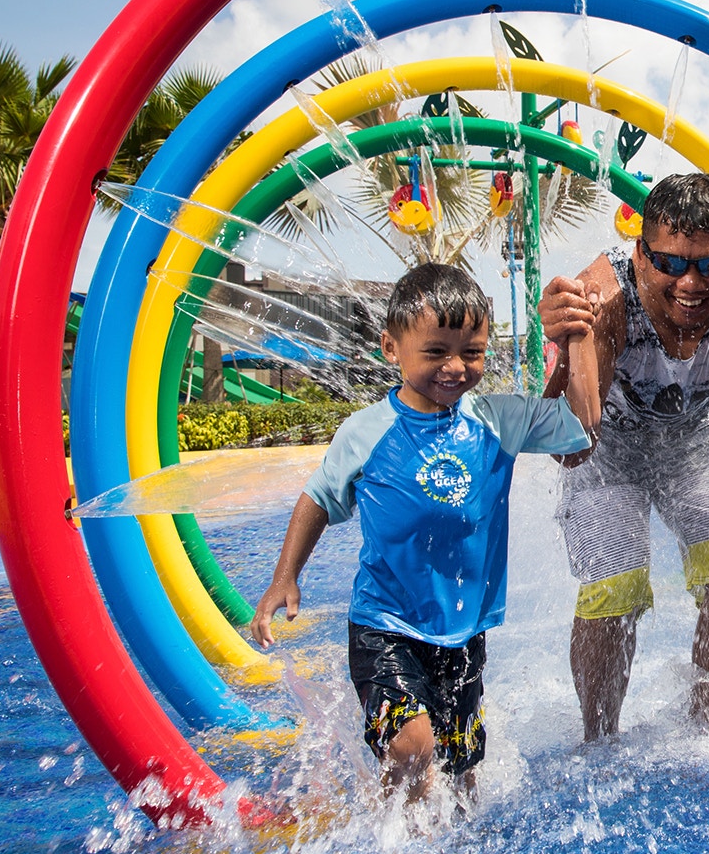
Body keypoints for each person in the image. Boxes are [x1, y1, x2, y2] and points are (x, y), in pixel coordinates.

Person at [249, 262, 599, 803]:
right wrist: (284, 577)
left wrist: (577, 339)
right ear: (392, 347)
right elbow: (317, 497)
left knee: (462, 772)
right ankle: (393, 831)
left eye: (473, 352)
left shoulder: (497, 420)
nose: (456, 368)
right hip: (383, 624)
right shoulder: (366, 431)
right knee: (413, 749)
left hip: (462, 631)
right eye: (436, 352)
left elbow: (578, 431)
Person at [537, 172, 709, 741]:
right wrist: (565, 350)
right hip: (609, 449)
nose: (690, 283)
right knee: (616, 586)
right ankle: (598, 740)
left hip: (694, 439)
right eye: (671, 262)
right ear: (638, 254)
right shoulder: (602, 301)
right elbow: (574, 449)